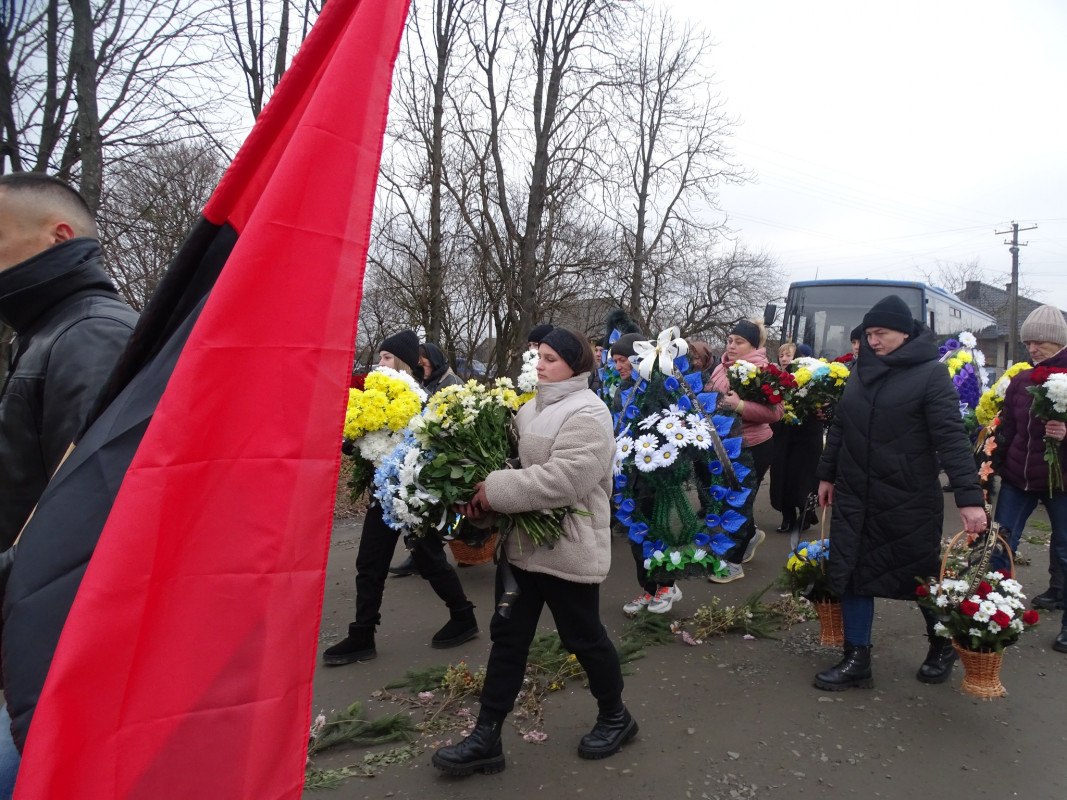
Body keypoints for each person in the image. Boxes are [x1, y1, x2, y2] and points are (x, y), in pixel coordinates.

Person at [432, 327, 636, 775]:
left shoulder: (590, 412)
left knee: (583, 638)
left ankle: (616, 716)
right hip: (522, 549)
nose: (540, 364)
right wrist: (479, 502)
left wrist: (496, 489)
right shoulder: (527, 411)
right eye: (539, 356)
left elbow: (566, 480)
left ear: (576, 365)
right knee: (507, 640)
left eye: (550, 358)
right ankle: (486, 737)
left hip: (567, 549)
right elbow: (509, 473)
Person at [0, 173, 139, 795]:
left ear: (57, 236)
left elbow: (92, 518)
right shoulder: (50, 335)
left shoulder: (89, 337)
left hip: (58, 642)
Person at [814, 295, 986, 690]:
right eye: (869, 334)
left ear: (905, 333)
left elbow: (951, 439)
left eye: (881, 333)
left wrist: (969, 497)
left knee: (918, 575)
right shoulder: (861, 369)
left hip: (906, 497)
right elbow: (841, 425)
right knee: (852, 573)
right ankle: (856, 659)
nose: (872, 341)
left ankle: (942, 643)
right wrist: (826, 475)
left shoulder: (930, 374)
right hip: (856, 493)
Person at [323, 330, 478, 664]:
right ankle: (362, 633)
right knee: (370, 562)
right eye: (379, 356)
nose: (380, 362)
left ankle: (463, 616)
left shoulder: (418, 400)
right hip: (384, 495)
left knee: (428, 559)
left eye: (387, 357)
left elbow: (430, 447)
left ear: (405, 364)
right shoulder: (375, 397)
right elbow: (366, 440)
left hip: (412, 496)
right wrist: (354, 436)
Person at [987, 305, 1067, 653]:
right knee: (1000, 544)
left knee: (1065, 549)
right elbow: (1008, 428)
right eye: (1028, 342)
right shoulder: (1021, 381)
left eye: (1039, 342)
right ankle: (992, 612)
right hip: (1018, 478)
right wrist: (991, 467)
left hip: (1063, 482)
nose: (1032, 349)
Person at [610, 333, 682, 616]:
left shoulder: (661, 386)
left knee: (659, 529)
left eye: (622, 359)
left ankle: (667, 585)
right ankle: (649, 588)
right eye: (614, 361)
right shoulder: (622, 391)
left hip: (661, 472)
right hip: (631, 474)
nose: (618, 366)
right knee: (637, 532)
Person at [705, 318, 781, 582]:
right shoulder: (721, 368)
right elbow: (711, 397)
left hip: (753, 446)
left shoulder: (764, 371)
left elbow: (776, 413)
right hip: (722, 445)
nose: (732, 346)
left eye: (739, 342)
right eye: (729, 340)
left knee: (739, 503)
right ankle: (749, 535)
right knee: (727, 499)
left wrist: (739, 406)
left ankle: (733, 563)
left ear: (753, 345)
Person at [389, 341, 464, 578]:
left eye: (424, 358)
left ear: (436, 359)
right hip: (428, 454)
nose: (420, 362)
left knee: (449, 510)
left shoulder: (452, 384)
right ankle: (423, 555)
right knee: (428, 509)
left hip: (450, 456)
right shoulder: (426, 383)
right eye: (417, 358)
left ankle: (433, 556)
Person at [769, 343, 822, 537]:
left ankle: (806, 513)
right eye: (781, 354)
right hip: (782, 434)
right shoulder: (772, 377)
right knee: (782, 475)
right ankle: (787, 516)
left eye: (788, 354)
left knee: (804, 477)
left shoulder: (811, 378)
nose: (784, 358)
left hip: (806, 434)